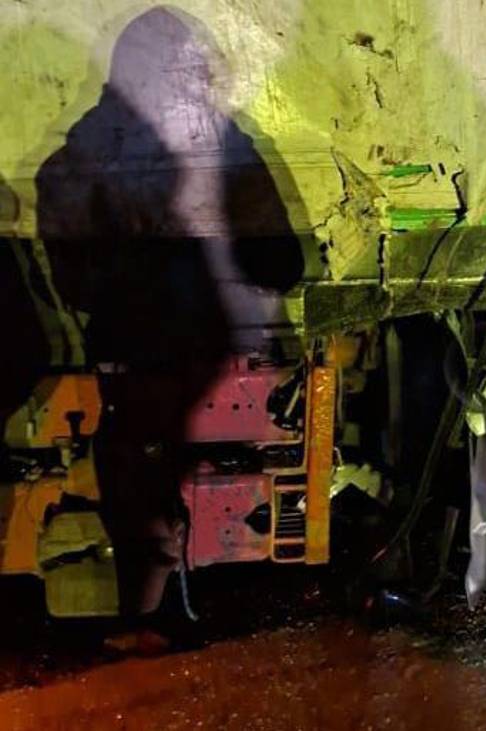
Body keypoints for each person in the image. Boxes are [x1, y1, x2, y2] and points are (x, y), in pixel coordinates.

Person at [35, 7, 302, 649]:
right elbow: (281, 261)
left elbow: (73, 274)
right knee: (151, 451)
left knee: (134, 459)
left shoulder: (86, 148)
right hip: (229, 345)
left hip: (141, 352)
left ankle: (149, 612)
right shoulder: (228, 141)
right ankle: (171, 600)